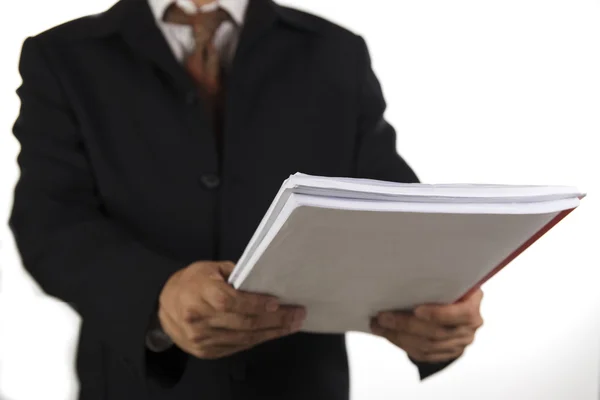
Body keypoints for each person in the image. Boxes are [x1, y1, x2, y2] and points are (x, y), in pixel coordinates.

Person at [9, 0, 484, 399]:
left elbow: (393, 209)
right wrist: (157, 297)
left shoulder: (335, 53)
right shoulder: (63, 57)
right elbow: (48, 221)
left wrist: (439, 303)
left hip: (302, 385)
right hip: (136, 385)